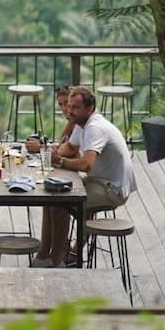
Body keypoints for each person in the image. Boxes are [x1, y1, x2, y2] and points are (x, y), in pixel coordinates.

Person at [32, 86, 136, 267]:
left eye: (74, 107)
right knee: (49, 199)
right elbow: (70, 148)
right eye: (68, 106)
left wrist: (59, 161)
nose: (69, 111)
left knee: (61, 203)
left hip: (113, 188)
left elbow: (87, 163)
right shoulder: (82, 124)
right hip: (99, 181)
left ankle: (57, 261)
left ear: (90, 109)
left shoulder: (94, 127)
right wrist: (48, 153)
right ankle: (44, 254)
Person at [25, 85, 76, 153]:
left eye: (66, 103)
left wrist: (40, 147)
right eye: (60, 104)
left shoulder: (79, 123)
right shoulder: (72, 122)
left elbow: (67, 151)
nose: (64, 108)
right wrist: (41, 145)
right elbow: (60, 145)